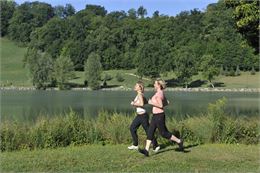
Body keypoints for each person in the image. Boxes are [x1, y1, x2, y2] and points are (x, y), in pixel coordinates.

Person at [139, 79, 183, 156]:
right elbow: (166, 103)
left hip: (159, 116)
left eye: (155, 84)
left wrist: (151, 102)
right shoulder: (160, 93)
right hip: (155, 115)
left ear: (159, 85)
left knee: (164, 133)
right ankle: (146, 150)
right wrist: (149, 102)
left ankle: (179, 141)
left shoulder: (159, 94)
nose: (154, 85)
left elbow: (161, 105)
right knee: (150, 132)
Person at [128, 81, 160, 152]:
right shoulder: (140, 94)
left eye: (136, 86)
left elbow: (142, 104)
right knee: (132, 128)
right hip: (140, 115)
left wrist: (134, 104)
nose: (135, 86)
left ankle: (156, 145)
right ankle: (135, 145)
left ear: (140, 87)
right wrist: (137, 103)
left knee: (148, 131)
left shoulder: (139, 94)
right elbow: (145, 102)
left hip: (143, 116)